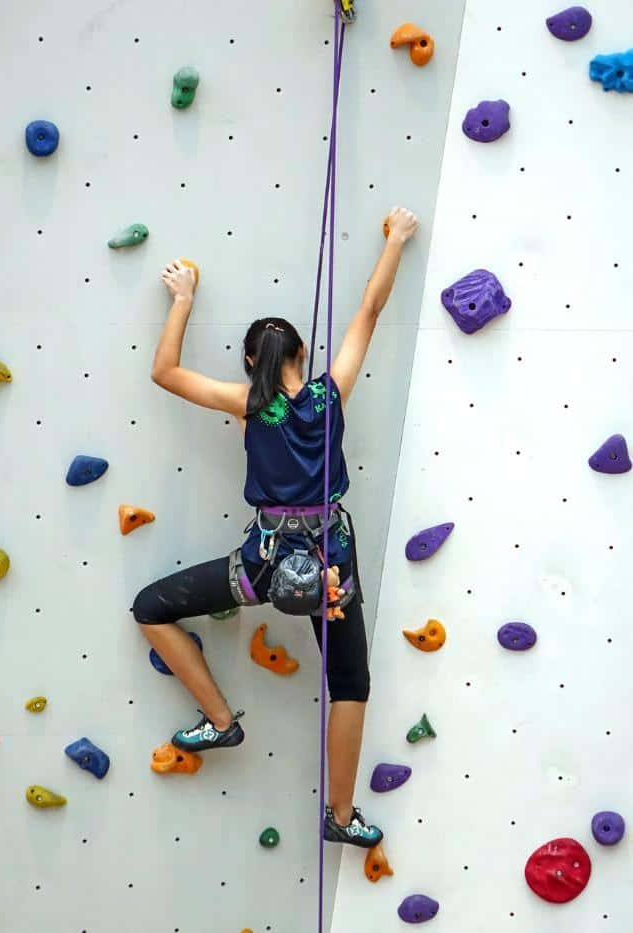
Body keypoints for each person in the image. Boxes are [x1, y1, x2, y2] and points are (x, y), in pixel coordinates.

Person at [133, 205, 419, 847]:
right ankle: (340, 816)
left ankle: (219, 720)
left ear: (248, 363)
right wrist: (396, 240)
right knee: (350, 682)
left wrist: (183, 299)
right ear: (301, 354)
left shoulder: (249, 405)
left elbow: (164, 373)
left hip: (262, 564)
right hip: (330, 567)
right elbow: (368, 313)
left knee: (151, 608)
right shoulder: (330, 393)